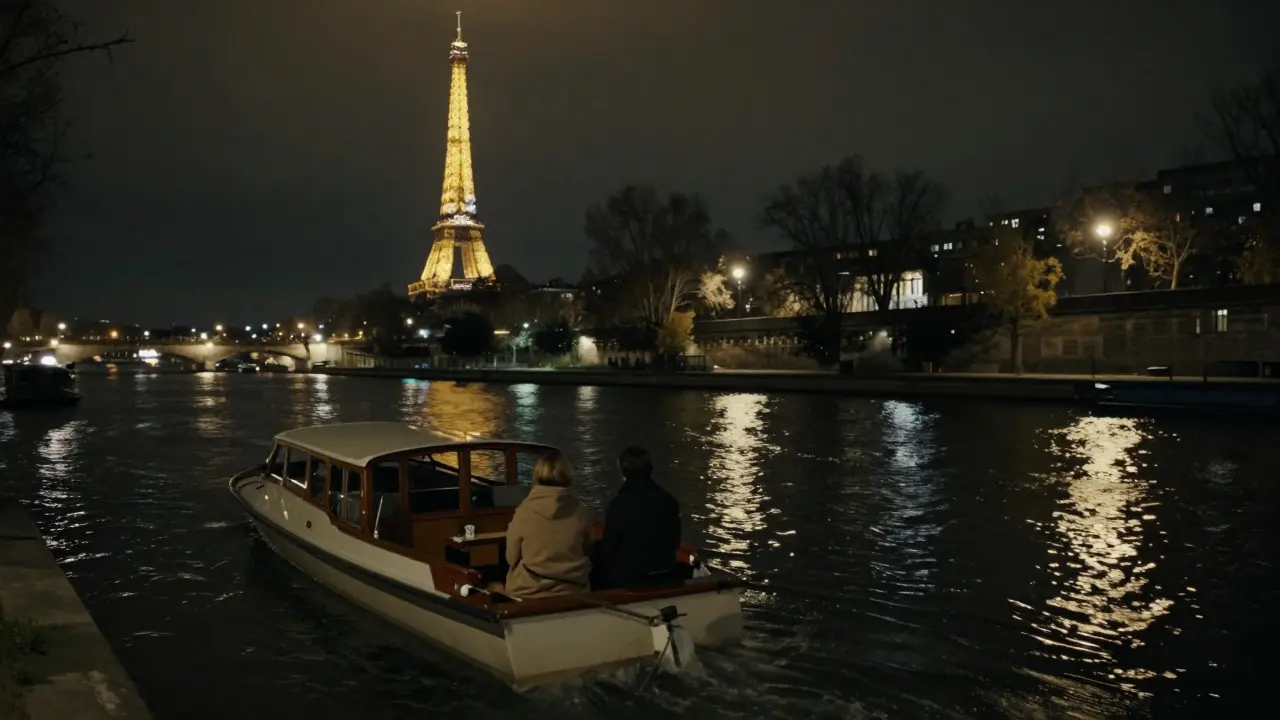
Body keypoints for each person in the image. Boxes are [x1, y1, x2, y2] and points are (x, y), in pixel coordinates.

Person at [503, 450, 594, 599]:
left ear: (537, 474)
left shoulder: (524, 512)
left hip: (529, 592)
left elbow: (511, 557)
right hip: (572, 590)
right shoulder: (581, 512)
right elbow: (588, 550)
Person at [593, 446, 683, 589]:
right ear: (650, 469)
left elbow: (610, 546)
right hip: (665, 572)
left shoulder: (619, 504)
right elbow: (674, 542)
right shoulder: (668, 501)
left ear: (623, 472)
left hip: (631, 577)